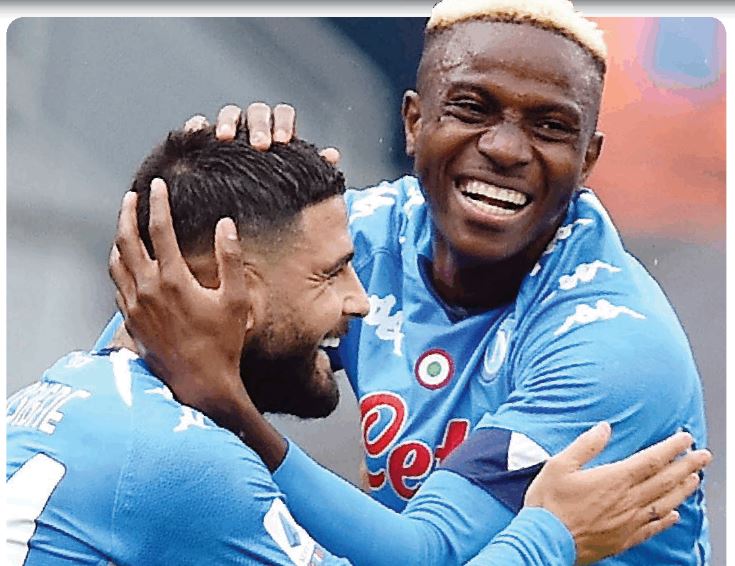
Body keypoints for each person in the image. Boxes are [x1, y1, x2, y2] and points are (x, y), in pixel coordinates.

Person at [106, 0, 711, 564]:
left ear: (587, 160)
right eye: (471, 109)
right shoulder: (361, 238)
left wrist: (228, 407)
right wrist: (221, 194)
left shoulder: (614, 344)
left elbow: (426, 554)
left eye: (550, 126)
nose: (505, 149)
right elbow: (133, 369)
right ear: (414, 122)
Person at [6, 128, 709, 566]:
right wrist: (550, 538)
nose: (362, 300)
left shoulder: (63, 395)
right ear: (215, 284)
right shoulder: (189, 467)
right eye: (329, 273)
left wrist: (213, 173)